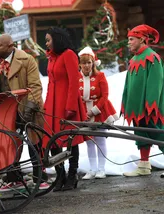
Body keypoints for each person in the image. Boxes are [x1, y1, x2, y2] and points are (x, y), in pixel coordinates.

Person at [0, 34, 49, 191]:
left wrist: (29, 107)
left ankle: (39, 177)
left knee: (34, 143)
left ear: (10, 46)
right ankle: (14, 178)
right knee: (9, 143)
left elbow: (35, 86)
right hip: (5, 111)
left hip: (27, 107)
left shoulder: (27, 60)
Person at [43, 27, 86, 191]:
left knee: (70, 140)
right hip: (53, 104)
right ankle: (60, 175)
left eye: (48, 40)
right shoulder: (51, 57)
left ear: (57, 39)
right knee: (53, 140)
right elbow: (50, 82)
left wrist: (71, 106)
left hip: (66, 104)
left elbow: (74, 82)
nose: (46, 43)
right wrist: (47, 104)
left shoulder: (68, 54)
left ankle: (72, 174)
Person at [121, 24, 164, 177]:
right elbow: (128, 84)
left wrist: (151, 104)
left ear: (142, 39)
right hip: (137, 109)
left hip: (150, 109)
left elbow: (156, 82)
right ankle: (144, 166)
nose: (129, 42)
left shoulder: (152, 58)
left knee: (159, 134)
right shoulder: (133, 60)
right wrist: (126, 102)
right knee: (141, 136)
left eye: (131, 39)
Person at [78, 46, 119, 180]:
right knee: (89, 141)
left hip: (99, 111)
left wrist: (94, 110)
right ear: (80, 64)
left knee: (100, 140)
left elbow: (105, 96)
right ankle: (93, 169)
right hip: (84, 112)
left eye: (89, 62)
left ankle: (101, 169)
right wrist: (84, 112)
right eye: (83, 62)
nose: (86, 65)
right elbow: (76, 97)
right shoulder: (77, 77)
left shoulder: (100, 75)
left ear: (93, 62)